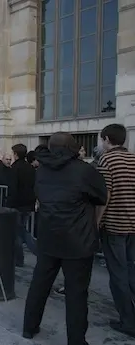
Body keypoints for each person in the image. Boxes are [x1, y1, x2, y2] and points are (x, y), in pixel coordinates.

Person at [22, 132, 107, 345]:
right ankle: (76, 340)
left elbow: (40, 195)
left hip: (49, 237)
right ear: (73, 148)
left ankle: (29, 328)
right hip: (78, 240)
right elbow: (100, 196)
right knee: (76, 293)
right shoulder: (84, 170)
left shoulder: (41, 170)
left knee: (39, 285)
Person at [96, 124, 135, 337]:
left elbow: (105, 196)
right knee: (131, 269)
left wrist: (97, 222)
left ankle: (128, 321)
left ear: (107, 139)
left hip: (114, 226)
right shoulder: (134, 159)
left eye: (102, 140)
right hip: (133, 226)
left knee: (118, 274)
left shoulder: (107, 160)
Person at [8, 143, 37, 267]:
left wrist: (9, 204)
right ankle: (19, 258)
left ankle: (24, 257)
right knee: (20, 230)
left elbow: (13, 188)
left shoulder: (15, 168)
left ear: (16, 154)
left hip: (17, 204)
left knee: (19, 232)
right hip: (28, 204)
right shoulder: (30, 168)